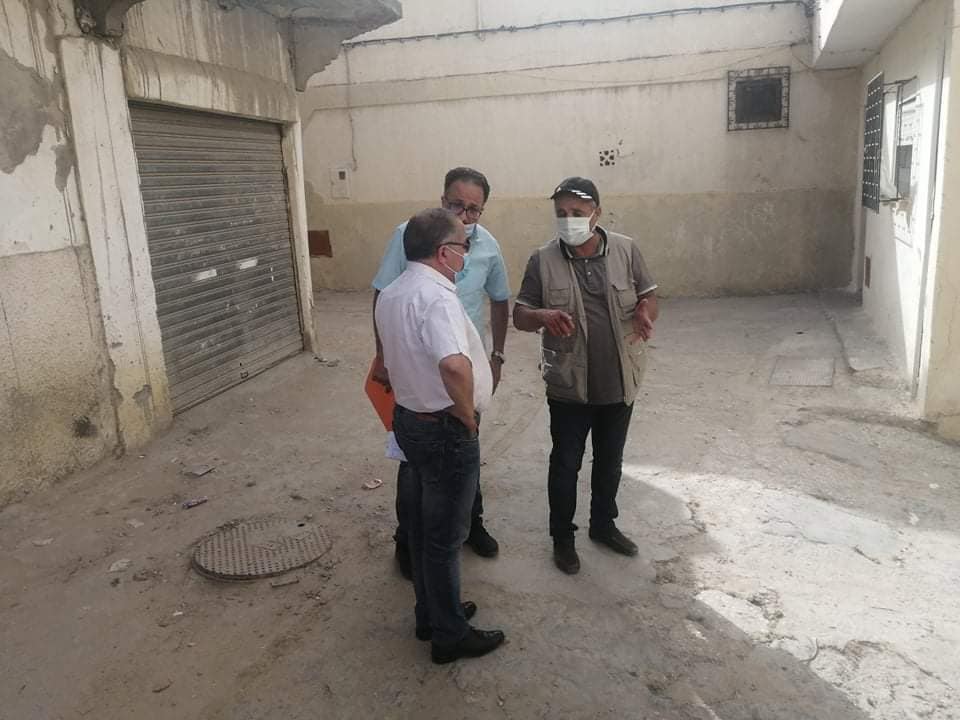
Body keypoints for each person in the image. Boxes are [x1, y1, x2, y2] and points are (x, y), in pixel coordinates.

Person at [376, 207, 506, 664]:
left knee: (421, 529)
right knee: (445, 539)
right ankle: (450, 635)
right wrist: (467, 416)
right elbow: (453, 364)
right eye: (462, 247)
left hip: (409, 421)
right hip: (444, 429)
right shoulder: (437, 298)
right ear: (444, 251)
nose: (465, 255)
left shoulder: (392, 293)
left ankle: (431, 614)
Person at [513, 177, 659, 575]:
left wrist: (645, 312)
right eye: (561, 213)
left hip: (619, 380)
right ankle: (562, 538)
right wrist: (542, 315)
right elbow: (520, 316)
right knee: (565, 464)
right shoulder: (542, 260)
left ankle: (603, 525)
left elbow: (649, 296)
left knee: (610, 461)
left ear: (597, 213)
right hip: (569, 386)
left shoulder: (626, 250)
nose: (568, 220)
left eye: (577, 213)